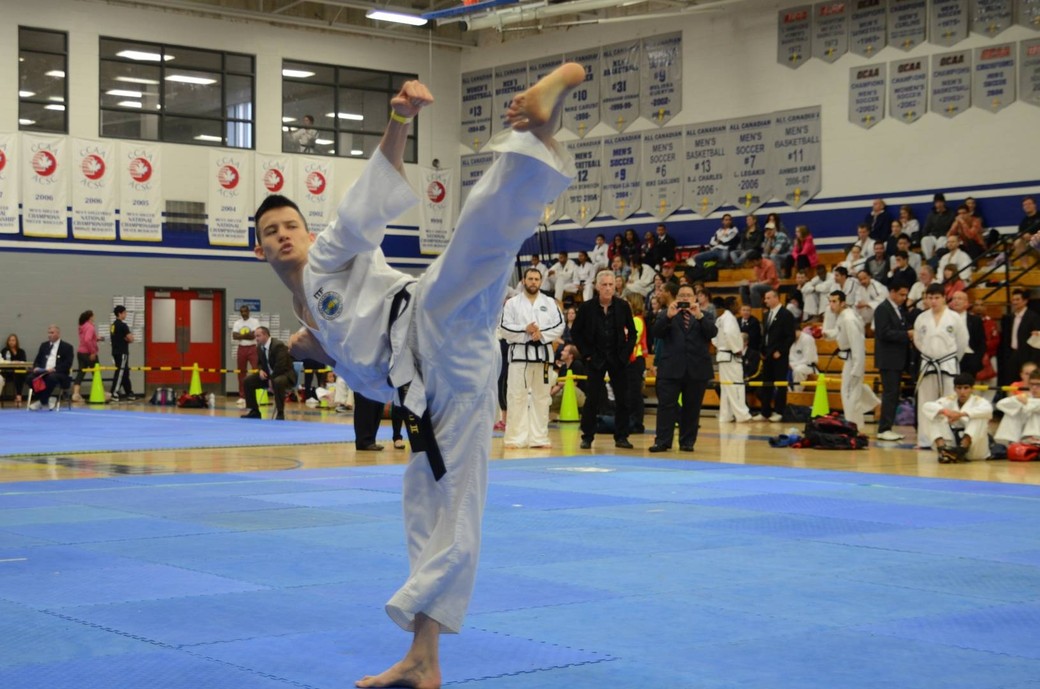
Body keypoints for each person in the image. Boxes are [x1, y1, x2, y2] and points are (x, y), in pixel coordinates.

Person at [251, 63, 585, 689]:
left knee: (481, 233)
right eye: (271, 232)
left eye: (291, 224)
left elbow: (368, 199)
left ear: (306, 232)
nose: (284, 235)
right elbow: (368, 371)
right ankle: (423, 657)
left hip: (426, 319)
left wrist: (399, 120)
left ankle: (543, 120)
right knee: (430, 509)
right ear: (259, 250)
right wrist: (322, 353)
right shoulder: (306, 317)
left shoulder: (328, 256)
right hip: (434, 389)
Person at [500, 268, 565, 448]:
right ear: (524, 280)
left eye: (537, 279)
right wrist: (525, 330)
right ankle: (515, 438)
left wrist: (541, 334)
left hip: (543, 357)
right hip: (520, 356)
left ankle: (539, 438)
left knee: (542, 398)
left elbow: (560, 325)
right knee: (516, 396)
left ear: (541, 282)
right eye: (530, 279)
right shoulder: (512, 303)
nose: (533, 282)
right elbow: (504, 328)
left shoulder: (549, 303)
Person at [572, 268, 637, 450]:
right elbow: (576, 332)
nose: (608, 288)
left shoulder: (623, 306)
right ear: (597, 286)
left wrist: (625, 355)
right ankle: (587, 436)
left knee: (623, 399)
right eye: (604, 285)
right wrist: (587, 354)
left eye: (611, 284)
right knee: (592, 399)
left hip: (618, 359)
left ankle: (622, 436)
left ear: (615, 286)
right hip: (595, 358)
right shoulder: (586, 308)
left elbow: (632, 333)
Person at [649, 283, 717, 451]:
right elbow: (656, 333)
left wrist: (699, 316)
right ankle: (662, 441)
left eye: (688, 295)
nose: (685, 298)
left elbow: (712, 333)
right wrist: (668, 317)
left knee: (692, 408)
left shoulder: (706, 315)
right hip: (670, 368)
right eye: (682, 295)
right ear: (676, 298)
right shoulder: (665, 314)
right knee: (666, 406)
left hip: (697, 369)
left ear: (695, 298)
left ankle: (687, 442)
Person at [914, 284, 969, 448]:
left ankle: (947, 439)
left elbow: (962, 342)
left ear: (944, 298)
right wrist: (929, 354)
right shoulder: (921, 318)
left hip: (948, 364)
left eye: (937, 298)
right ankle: (925, 440)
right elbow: (918, 341)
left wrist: (952, 359)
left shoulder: (954, 317)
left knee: (948, 402)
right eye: (930, 298)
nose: (933, 301)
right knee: (926, 402)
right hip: (928, 364)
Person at [829, 291, 880, 429]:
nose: (831, 305)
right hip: (849, 358)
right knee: (852, 389)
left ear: (842, 303)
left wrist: (857, 368)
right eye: (830, 301)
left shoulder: (849, 319)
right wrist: (828, 334)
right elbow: (840, 333)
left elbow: (857, 345)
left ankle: (853, 426)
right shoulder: (843, 316)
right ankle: (875, 403)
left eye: (834, 301)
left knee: (850, 394)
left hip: (854, 358)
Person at [921, 372, 993, 462]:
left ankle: (962, 448)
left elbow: (988, 410)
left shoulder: (979, 401)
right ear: (954, 389)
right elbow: (926, 406)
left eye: (966, 388)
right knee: (933, 414)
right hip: (952, 446)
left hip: (974, 450)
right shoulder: (949, 400)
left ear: (972, 389)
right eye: (959, 388)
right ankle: (943, 450)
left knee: (980, 416)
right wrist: (946, 412)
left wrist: (961, 414)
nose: (962, 392)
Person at [874, 284, 913, 441]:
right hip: (888, 359)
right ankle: (884, 428)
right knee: (890, 394)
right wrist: (906, 335)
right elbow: (883, 333)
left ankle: (888, 427)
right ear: (892, 292)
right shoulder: (883, 309)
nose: (904, 298)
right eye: (901, 294)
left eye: (906, 295)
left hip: (898, 359)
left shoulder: (899, 309)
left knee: (894, 393)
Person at [753, 288, 796, 422]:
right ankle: (765, 412)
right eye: (765, 298)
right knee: (767, 384)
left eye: (768, 298)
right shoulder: (767, 314)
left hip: (779, 356)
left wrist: (781, 351)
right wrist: (762, 350)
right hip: (767, 354)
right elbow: (765, 335)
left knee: (780, 384)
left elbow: (790, 336)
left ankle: (779, 411)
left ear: (776, 298)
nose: (765, 301)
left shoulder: (786, 314)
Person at [240, 326, 296, 421]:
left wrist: (271, 379)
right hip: (269, 376)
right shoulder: (259, 347)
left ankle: (280, 413)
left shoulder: (278, 345)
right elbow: (259, 363)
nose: (256, 338)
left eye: (258, 336)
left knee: (277, 381)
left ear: (265, 335)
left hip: (284, 375)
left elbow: (280, 366)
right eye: (255, 336)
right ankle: (255, 411)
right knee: (248, 381)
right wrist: (260, 370)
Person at [713, 297, 752, 423]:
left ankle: (726, 415)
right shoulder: (729, 318)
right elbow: (729, 334)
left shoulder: (721, 318)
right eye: (738, 304)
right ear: (732, 305)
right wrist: (736, 349)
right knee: (736, 386)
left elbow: (713, 337)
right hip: (731, 357)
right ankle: (742, 415)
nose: (739, 307)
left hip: (723, 356)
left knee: (726, 387)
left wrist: (720, 347)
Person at [998, 288, 1040, 393]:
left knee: (1028, 382)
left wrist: (1033, 361)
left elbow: (1036, 340)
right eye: (1013, 300)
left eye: (1018, 299)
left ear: (1025, 301)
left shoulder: (1033, 317)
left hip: (1027, 355)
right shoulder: (1009, 317)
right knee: (1011, 382)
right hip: (1012, 354)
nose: (1015, 302)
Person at [28, 325, 75, 411]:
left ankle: (41, 401)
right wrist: (36, 367)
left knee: (51, 378)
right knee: (30, 378)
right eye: (49, 333)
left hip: (59, 373)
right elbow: (37, 360)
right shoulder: (44, 345)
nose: (49, 335)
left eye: (52, 333)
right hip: (43, 371)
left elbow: (67, 364)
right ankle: (46, 399)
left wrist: (54, 369)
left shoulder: (67, 347)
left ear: (58, 334)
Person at [995, 368, 1040, 445]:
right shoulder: (1026, 397)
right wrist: (1017, 399)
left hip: (1036, 437)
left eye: (1038, 385)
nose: (1034, 388)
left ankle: (1033, 439)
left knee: (1032, 411)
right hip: (1022, 438)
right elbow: (1000, 404)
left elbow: (1035, 406)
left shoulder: (1028, 399)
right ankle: (1009, 442)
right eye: (1032, 384)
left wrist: (1026, 402)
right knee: (1012, 411)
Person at [625, 293, 649, 434]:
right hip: (629, 360)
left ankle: (636, 422)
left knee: (634, 392)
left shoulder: (637, 320)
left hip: (635, 359)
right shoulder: (630, 320)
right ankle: (630, 420)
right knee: (629, 392)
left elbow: (631, 338)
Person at [231, 304, 261, 402]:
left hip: (252, 348)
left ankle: (257, 394)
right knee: (241, 372)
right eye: (242, 312)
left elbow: (253, 336)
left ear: (248, 311)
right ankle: (242, 396)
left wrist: (241, 335)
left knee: (256, 370)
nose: (244, 313)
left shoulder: (255, 321)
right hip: (241, 348)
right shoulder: (237, 323)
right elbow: (234, 336)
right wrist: (247, 335)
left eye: (245, 311)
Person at [72, 310, 102, 402]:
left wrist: (96, 338)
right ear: (90, 317)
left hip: (80, 353)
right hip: (88, 353)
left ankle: (76, 394)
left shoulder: (82, 326)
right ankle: (100, 392)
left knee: (81, 372)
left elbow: (86, 338)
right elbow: (87, 339)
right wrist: (92, 352)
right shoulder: (90, 327)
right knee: (96, 373)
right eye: (93, 316)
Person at [549, 343, 587, 413]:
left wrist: (561, 384)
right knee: (548, 401)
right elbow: (558, 385)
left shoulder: (577, 364)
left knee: (567, 389)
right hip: (564, 392)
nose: (561, 352)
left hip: (581, 396)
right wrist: (549, 395)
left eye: (564, 351)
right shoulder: (563, 368)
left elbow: (573, 384)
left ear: (570, 355)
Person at [110, 305, 136, 401]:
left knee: (125, 372)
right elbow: (131, 338)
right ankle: (114, 392)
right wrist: (127, 339)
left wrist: (125, 338)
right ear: (119, 314)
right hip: (122, 352)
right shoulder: (123, 325)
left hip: (115, 351)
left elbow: (117, 337)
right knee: (120, 372)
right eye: (124, 313)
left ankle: (129, 392)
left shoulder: (113, 325)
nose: (126, 314)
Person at [921, 193, 956, 259]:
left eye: (940, 202)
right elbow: (926, 229)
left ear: (944, 202)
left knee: (941, 239)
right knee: (925, 239)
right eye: (937, 202)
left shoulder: (951, 214)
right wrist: (925, 235)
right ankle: (930, 260)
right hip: (933, 236)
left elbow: (953, 228)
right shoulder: (931, 215)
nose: (939, 204)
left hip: (945, 236)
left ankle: (938, 258)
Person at [1, 334, 28, 404]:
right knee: (17, 373)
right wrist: (12, 362)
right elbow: (3, 362)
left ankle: (19, 396)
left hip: (19, 372)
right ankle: (18, 396)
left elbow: (24, 361)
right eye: (10, 340)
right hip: (7, 372)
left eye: (13, 340)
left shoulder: (21, 351)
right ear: (7, 342)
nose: (11, 342)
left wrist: (18, 362)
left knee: (19, 373)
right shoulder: (4, 351)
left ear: (16, 341)